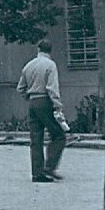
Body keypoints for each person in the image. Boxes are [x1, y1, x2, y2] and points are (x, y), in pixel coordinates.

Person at [17, 39, 67, 183]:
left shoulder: (29, 65)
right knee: (58, 136)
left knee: (36, 139)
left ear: (38, 49)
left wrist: (29, 97)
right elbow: (52, 88)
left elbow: (20, 88)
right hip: (45, 101)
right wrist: (57, 105)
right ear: (50, 50)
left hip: (33, 102)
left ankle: (37, 173)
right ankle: (49, 167)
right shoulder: (50, 65)